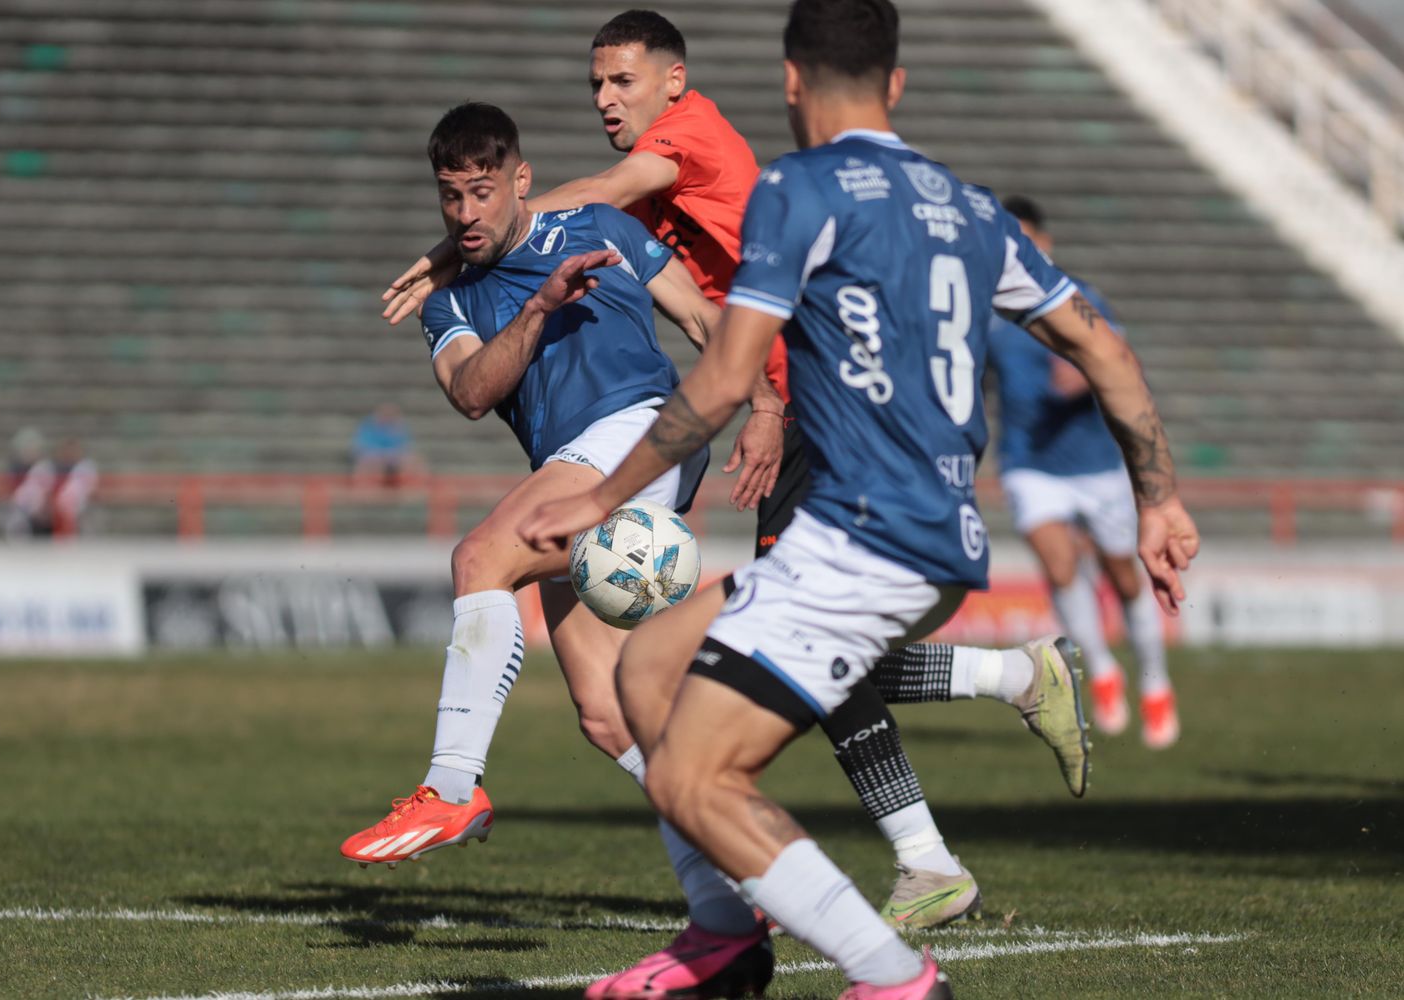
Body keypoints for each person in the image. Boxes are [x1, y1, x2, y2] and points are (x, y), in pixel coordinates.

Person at [519, 0, 1199, 995]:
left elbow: (720, 379)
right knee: (648, 670)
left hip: (864, 533)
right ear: (898, 83)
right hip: (937, 537)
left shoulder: (799, 191)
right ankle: (728, 934)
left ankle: (895, 977)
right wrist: (1160, 501)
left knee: (689, 774)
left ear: (792, 83)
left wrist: (603, 497)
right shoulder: (971, 209)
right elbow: (1102, 344)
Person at [381, 8, 1089, 930]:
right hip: (768, 390)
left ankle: (918, 858)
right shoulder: (625, 201)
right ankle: (990, 716)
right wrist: (473, 240)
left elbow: (593, 192)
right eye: (594, 84)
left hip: (796, 394)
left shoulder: (685, 138)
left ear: (673, 82)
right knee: (627, 703)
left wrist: (452, 244)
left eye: (621, 81)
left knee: (778, 638)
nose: (604, 100)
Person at [338, 103, 782, 882]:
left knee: (480, 558)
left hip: (644, 431)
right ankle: (749, 879)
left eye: (483, 191)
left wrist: (768, 407)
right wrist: (541, 306)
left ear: (521, 181)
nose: (467, 213)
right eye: (451, 196)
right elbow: (473, 392)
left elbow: (707, 323)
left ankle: (449, 787)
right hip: (577, 464)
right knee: (609, 715)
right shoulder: (448, 297)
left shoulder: (600, 227)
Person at [987, 196, 1178, 748]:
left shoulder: (1078, 299)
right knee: (1059, 562)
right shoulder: (984, 313)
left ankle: (1154, 679)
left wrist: (1083, 377)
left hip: (1095, 463)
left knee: (1123, 575)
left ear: (1043, 244)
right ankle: (1100, 670)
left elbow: (1120, 361)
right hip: (1029, 463)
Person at [351, 402, 421, 485]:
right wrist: (381, 455)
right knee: (371, 462)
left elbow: (405, 446)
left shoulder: (399, 427)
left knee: (412, 461)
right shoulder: (368, 426)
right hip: (374, 457)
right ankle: (369, 491)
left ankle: (410, 490)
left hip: (394, 458)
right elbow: (361, 447)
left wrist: (392, 455)